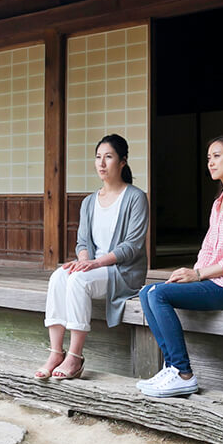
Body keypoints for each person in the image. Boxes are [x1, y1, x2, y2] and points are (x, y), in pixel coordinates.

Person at [136, 134, 223, 397]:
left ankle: (183, 373)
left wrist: (197, 275)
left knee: (158, 294)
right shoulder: (219, 202)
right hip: (214, 283)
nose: (211, 162)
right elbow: (208, 249)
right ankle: (172, 368)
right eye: (208, 158)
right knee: (146, 292)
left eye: (217, 156)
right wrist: (191, 276)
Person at [36, 134, 149, 380]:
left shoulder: (135, 198)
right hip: (95, 267)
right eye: (98, 157)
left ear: (123, 162)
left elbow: (132, 247)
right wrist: (83, 259)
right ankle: (56, 352)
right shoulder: (89, 202)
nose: (102, 163)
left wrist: (95, 263)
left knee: (78, 280)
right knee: (59, 276)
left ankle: (75, 357)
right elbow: (83, 242)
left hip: (122, 272)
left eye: (108, 157)